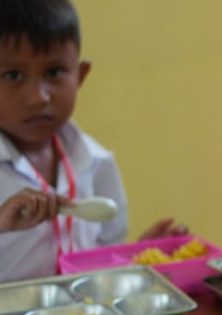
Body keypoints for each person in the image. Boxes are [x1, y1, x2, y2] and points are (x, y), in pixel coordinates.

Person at [0, 0, 186, 283]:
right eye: (13, 76)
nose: (39, 97)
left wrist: (138, 256)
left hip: (85, 310)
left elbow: (105, 260)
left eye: (54, 72)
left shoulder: (97, 162)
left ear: (81, 75)